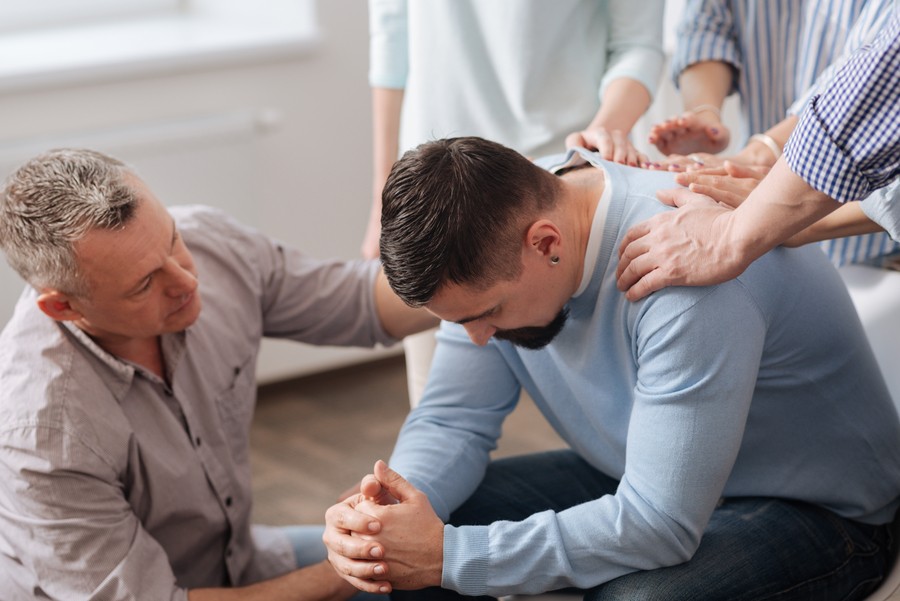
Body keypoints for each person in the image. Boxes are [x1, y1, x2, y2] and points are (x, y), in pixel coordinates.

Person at [322, 137, 900, 600]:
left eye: (486, 313)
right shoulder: (506, 218)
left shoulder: (682, 265)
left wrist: (452, 557)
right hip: (639, 474)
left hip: (822, 511)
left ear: (545, 242)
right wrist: (390, 513)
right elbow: (453, 420)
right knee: (389, 553)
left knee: (638, 597)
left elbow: (659, 524)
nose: (475, 337)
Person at [0, 148, 436, 600]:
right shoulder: (39, 434)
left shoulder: (210, 240)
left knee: (436, 574)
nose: (187, 281)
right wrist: (358, 561)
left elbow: (359, 303)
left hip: (241, 559)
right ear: (63, 307)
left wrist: (476, 274)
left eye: (171, 240)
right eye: (144, 284)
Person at [363, 0, 665, 406]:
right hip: (430, 204)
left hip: (557, 183)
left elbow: (637, 41)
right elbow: (391, 41)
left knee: (596, 409)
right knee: (447, 411)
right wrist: (384, 199)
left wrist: (603, 133)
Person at [617, 8, 899, 301]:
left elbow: (878, 79)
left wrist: (736, 232)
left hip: (868, 250)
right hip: (765, 215)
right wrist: (709, 114)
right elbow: (706, 22)